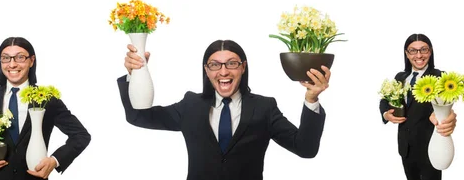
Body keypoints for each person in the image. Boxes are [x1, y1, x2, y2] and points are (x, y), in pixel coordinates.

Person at [117, 40, 329, 180]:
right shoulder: (191, 105)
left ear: (243, 67)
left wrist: (312, 99)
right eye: (215, 65)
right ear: (206, 70)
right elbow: (137, 116)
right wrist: (134, 76)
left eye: (232, 64)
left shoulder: (264, 108)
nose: (223, 71)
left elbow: (305, 149)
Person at [0, 37, 91, 180]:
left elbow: (81, 135)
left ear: (31, 61)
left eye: (20, 57)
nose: (12, 64)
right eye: (6, 58)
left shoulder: (46, 99)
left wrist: (54, 161)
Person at [379, 33, 458, 180]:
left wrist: (449, 116)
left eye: (424, 49)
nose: (419, 55)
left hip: (431, 146)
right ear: (407, 54)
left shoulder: (441, 77)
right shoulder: (400, 77)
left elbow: (448, 105)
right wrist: (386, 114)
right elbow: (385, 100)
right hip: (405, 147)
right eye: (413, 50)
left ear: (431, 51)